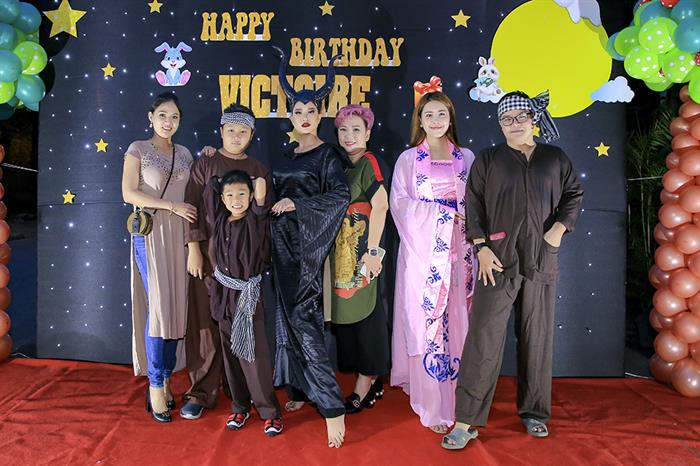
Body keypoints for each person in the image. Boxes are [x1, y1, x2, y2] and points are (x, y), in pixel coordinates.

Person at [442, 90, 584, 450]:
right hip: (497, 261)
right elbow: (473, 203)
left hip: (541, 259)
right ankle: (466, 421)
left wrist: (557, 231)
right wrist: (481, 247)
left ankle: (534, 412)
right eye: (507, 119)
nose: (514, 124)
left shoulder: (555, 158)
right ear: (500, 124)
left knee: (537, 335)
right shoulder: (489, 160)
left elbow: (574, 194)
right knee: (484, 339)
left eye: (521, 117)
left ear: (533, 119)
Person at [269, 46, 350, 448]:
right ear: (290, 116)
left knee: (304, 321)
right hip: (278, 246)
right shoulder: (287, 155)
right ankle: (301, 388)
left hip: (305, 249)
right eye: (298, 111)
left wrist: (296, 205)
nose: (304, 117)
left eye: (311, 111)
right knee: (286, 320)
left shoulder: (327, 155)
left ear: (321, 116)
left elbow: (339, 197)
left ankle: (333, 408)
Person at [390, 91, 476, 434]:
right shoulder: (408, 160)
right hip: (424, 256)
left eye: (442, 114)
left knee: (460, 317)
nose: (436, 121)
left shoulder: (466, 157)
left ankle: (461, 398)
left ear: (450, 117)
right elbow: (400, 204)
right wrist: (442, 216)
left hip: (462, 252)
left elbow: (478, 201)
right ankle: (432, 402)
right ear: (420, 121)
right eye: (429, 115)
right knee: (429, 321)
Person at [180, 104, 272, 420]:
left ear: (252, 135)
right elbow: (191, 206)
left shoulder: (259, 169)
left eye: (243, 131)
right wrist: (193, 247)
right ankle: (201, 392)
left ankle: (241, 395)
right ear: (221, 132)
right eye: (230, 130)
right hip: (208, 262)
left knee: (243, 332)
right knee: (206, 328)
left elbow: (262, 221)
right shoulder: (205, 164)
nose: (236, 136)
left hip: (243, 271)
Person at [121, 91, 196, 422]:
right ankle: (154, 384)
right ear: (151, 117)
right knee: (160, 309)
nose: (169, 121)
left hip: (180, 236)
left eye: (175, 117)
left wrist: (210, 155)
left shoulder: (186, 154)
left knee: (176, 309)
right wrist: (171, 206)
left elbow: (196, 188)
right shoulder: (138, 149)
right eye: (163, 115)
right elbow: (128, 193)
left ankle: (166, 378)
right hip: (150, 234)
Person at [201, 169, 282, 436]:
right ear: (222, 199)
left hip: (247, 297)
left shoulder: (255, 220)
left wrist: (254, 184)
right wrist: (219, 180)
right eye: (230, 195)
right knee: (231, 355)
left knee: (254, 356)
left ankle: (269, 412)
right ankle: (240, 405)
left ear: (250, 196)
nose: (236, 200)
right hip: (223, 295)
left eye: (242, 194)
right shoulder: (219, 219)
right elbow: (211, 187)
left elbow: (261, 189)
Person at [330, 104, 391, 413]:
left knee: (368, 318)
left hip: (364, 252)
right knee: (347, 315)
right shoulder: (341, 165)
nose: (349, 135)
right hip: (342, 253)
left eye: (356, 129)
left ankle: (366, 383)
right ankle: (369, 379)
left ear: (368, 133)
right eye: (343, 130)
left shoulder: (369, 162)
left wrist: (374, 252)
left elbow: (381, 205)